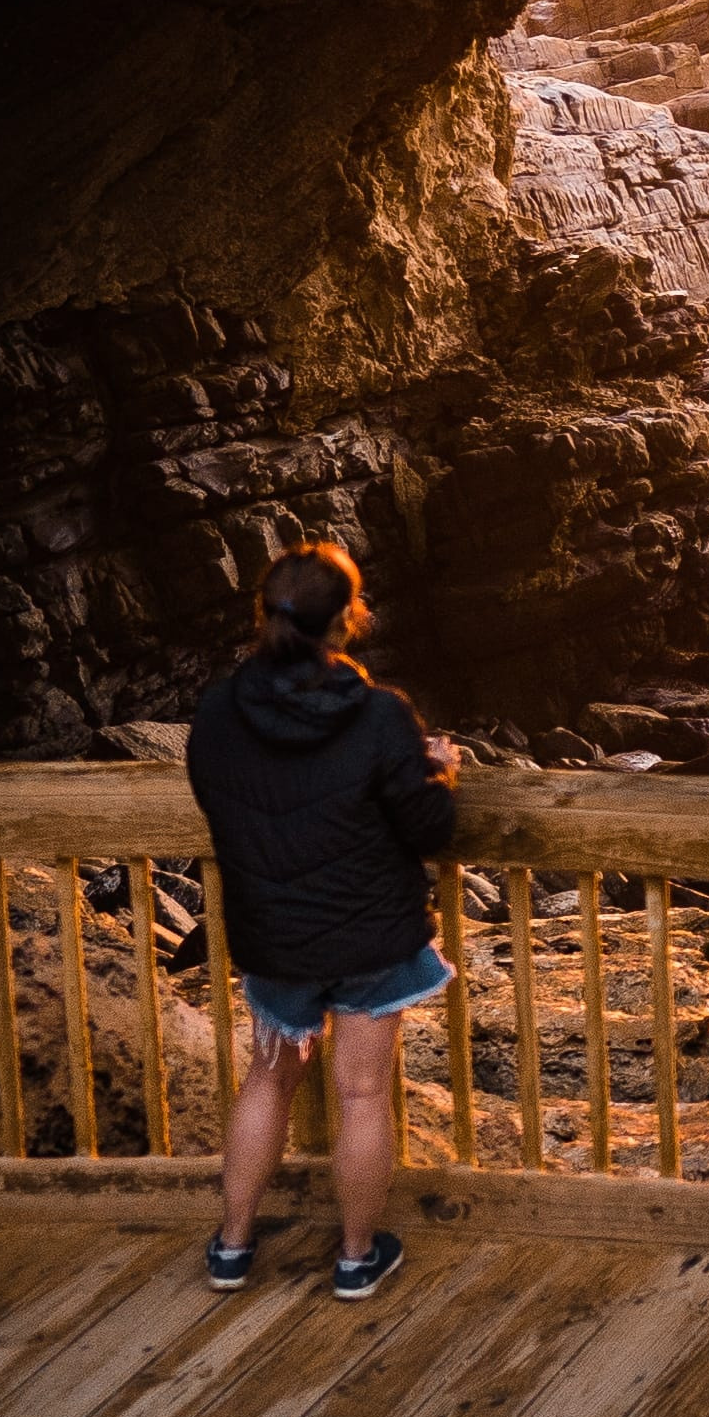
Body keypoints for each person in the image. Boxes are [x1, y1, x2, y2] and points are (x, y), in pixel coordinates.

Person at [185, 540, 462, 1301]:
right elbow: (429, 825)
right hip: (371, 934)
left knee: (269, 1078)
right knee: (363, 1092)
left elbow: (219, 797)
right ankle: (355, 1256)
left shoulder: (218, 708)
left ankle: (233, 1247)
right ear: (347, 620)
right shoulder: (379, 715)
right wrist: (439, 766)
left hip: (274, 934)